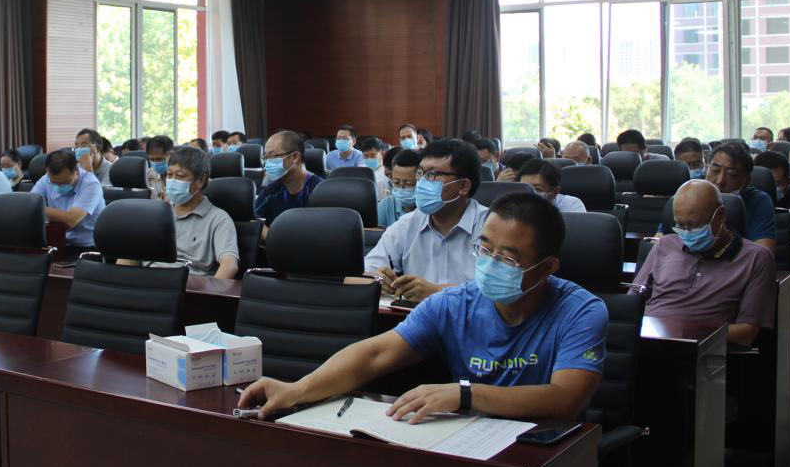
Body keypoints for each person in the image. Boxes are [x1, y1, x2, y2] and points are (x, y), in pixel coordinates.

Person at [240, 193, 608, 423]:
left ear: (546, 268)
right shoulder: (454, 304)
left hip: (549, 449)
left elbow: (565, 400)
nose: (490, 263)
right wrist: (297, 389)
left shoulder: (580, 311)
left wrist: (465, 394)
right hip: (471, 438)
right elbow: (375, 354)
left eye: (508, 258)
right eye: (484, 249)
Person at [630, 180, 776, 346]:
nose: (686, 233)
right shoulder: (664, 245)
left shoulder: (756, 258)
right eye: (680, 225)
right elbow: (631, 305)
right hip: (645, 340)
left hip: (701, 350)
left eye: (694, 225)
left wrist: (680, 330)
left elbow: (746, 333)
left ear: (720, 215)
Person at [365, 139, 489, 303]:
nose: (422, 182)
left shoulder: (492, 228)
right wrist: (378, 278)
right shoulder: (406, 225)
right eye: (421, 173)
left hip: (472, 317)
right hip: (414, 317)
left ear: (463, 186)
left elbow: (501, 294)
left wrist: (438, 292)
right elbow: (366, 272)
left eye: (432, 175)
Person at [154, 145, 239, 279]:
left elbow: (230, 264)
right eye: (169, 175)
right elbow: (131, 255)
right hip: (147, 281)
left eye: (180, 176)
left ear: (201, 180)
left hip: (188, 285)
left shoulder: (218, 219)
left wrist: (211, 290)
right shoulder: (156, 213)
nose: (172, 181)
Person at [31, 149, 104, 258]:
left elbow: (71, 220)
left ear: (76, 171)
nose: (58, 186)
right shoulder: (46, 179)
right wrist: (38, 210)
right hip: (57, 241)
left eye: (63, 182)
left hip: (87, 248)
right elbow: (29, 206)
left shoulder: (91, 184)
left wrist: (40, 209)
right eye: (54, 183)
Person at [704, 143, 776, 251]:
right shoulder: (691, 195)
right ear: (706, 170)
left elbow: (764, 252)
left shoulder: (758, 200)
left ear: (746, 181)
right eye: (715, 170)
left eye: (731, 174)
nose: (720, 181)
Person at [255, 130, 321, 234]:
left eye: (273, 156)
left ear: (295, 157)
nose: (267, 163)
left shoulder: (319, 191)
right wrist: (274, 239)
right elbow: (255, 220)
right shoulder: (271, 191)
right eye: (266, 157)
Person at [519, 159, 585, 213]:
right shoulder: (514, 206)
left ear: (555, 192)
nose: (528, 194)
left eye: (537, 189)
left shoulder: (571, 205)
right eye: (524, 188)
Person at [377, 148, 420, 227]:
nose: (401, 189)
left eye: (408, 184)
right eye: (396, 182)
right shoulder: (386, 206)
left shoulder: (431, 208)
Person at [145, 135, 173, 200]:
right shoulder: (146, 175)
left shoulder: (181, 177)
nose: (155, 163)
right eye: (152, 159)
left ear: (171, 155)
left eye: (159, 159)